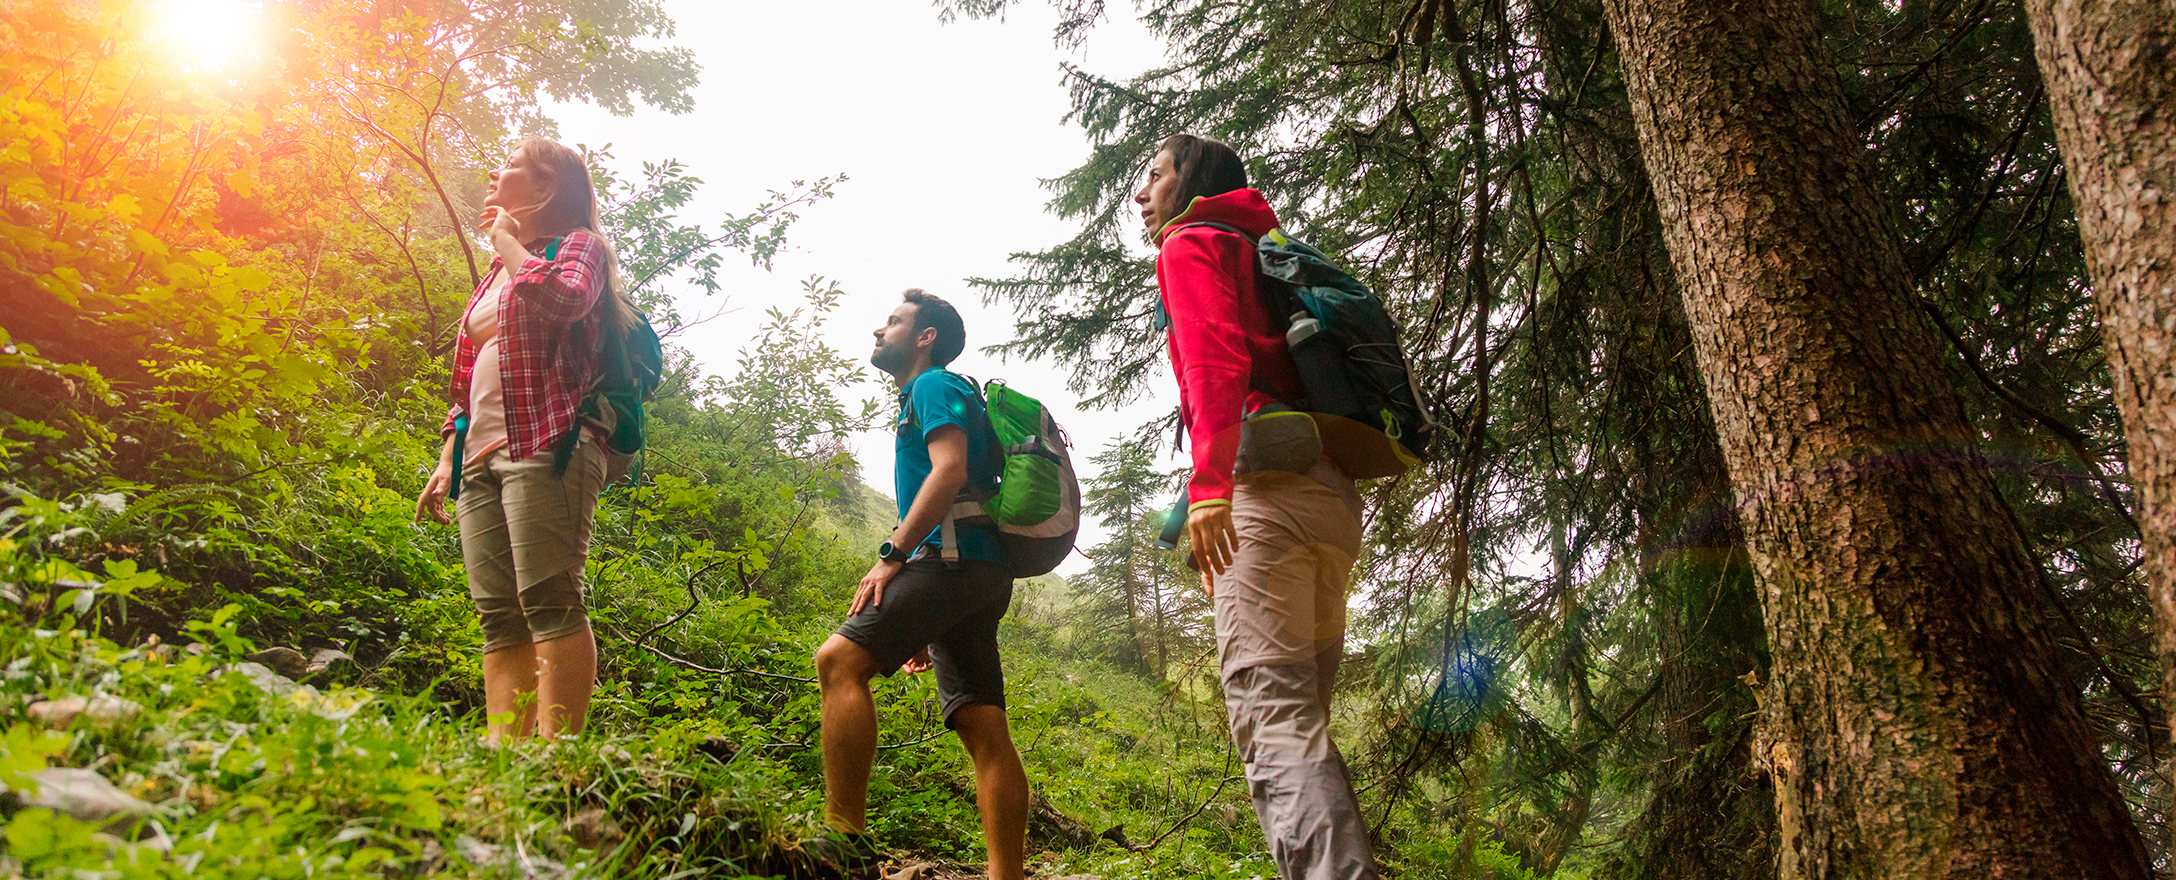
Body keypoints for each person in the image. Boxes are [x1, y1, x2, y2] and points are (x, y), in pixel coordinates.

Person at [1136, 134, 1379, 880]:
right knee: (1301, 721)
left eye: (1154, 176)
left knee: (1274, 720)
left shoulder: (1191, 244)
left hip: (1266, 498)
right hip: (1332, 501)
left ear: (1193, 182)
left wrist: (1211, 490)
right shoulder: (1263, 253)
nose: (1141, 194)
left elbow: (1214, 362)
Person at [414, 137, 636, 741]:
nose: (494, 169)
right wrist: (447, 455)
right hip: (480, 455)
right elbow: (466, 382)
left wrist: (508, 242)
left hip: (549, 442)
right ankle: (504, 762)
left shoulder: (581, 248)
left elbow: (563, 301)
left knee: (550, 602)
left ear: (545, 189)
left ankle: (556, 761)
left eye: (512, 166)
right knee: (499, 617)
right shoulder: (495, 274)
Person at [809, 290, 1029, 880]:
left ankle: (845, 841)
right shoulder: (936, 393)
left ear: (925, 337)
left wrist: (892, 557)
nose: (879, 331)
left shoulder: (934, 386)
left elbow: (950, 470)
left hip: (951, 558)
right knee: (984, 728)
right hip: (979, 567)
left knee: (839, 662)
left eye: (894, 322)